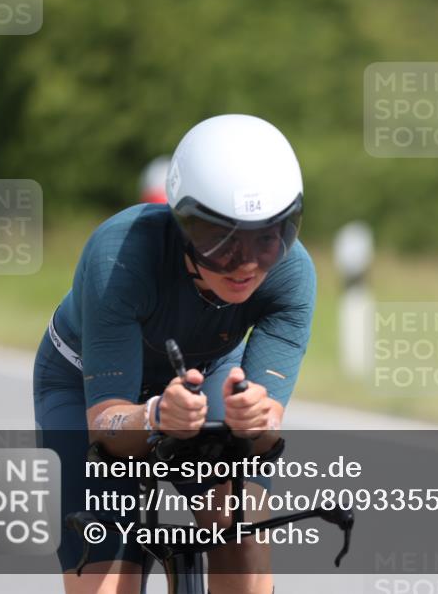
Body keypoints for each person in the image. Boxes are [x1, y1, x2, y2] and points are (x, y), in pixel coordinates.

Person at [33, 114, 316, 594]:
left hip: (202, 377)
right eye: (221, 242)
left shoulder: (293, 277)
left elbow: (265, 439)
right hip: (85, 384)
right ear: (182, 223)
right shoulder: (119, 257)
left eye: (269, 238)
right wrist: (157, 415)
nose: (245, 264)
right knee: (105, 577)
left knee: (239, 529)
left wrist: (257, 421)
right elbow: (108, 428)